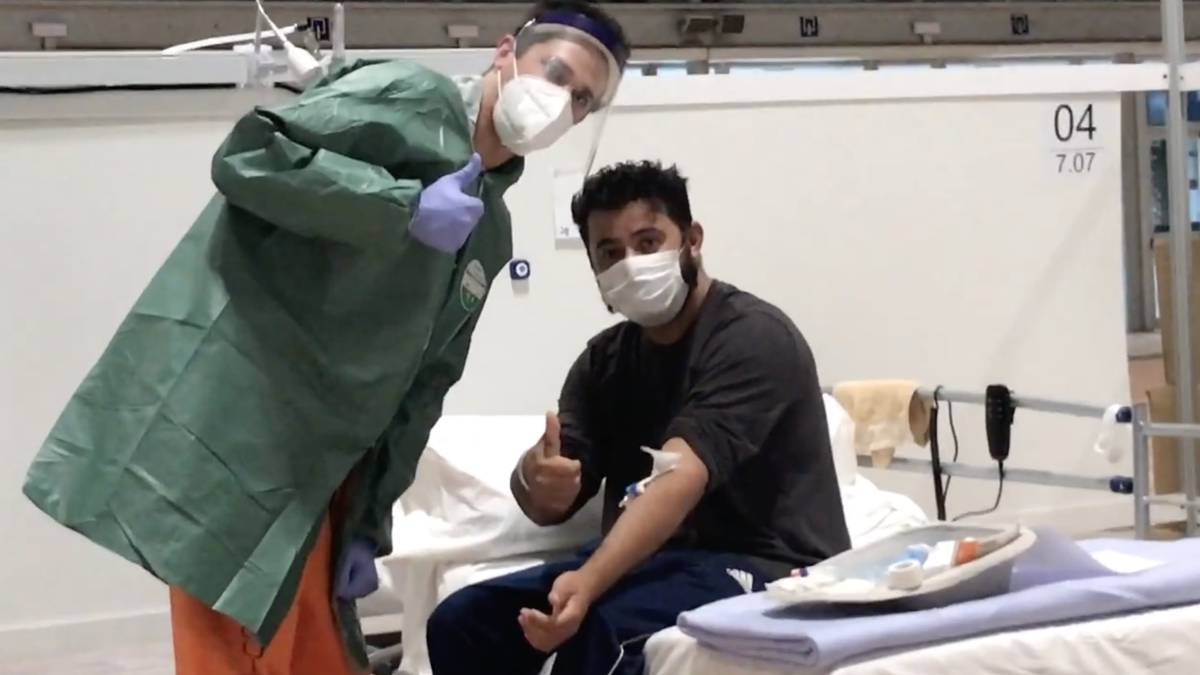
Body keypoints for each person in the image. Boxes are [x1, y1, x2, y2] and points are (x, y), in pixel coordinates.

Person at [21, 3, 629, 674]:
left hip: (329, 479)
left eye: (582, 99)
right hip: (245, 436)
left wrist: (369, 522)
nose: (561, 103)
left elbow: (425, 383)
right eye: (556, 74)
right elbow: (250, 157)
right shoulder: (411, 97)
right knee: (238, 651)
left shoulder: (488, 230)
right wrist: (399, 206)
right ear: (506, 51)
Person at [425, 160, 851, 675]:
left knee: (602, 629)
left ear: (692, 240)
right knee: (463, 621)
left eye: (648, 243)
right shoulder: (603, 363)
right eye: (610, 252)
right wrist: (535, 479)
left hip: (774, 566)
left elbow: (677, 477)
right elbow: (552, 493)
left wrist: (589, 581)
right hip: (660, 563)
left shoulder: (753, 338)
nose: (630, 264)